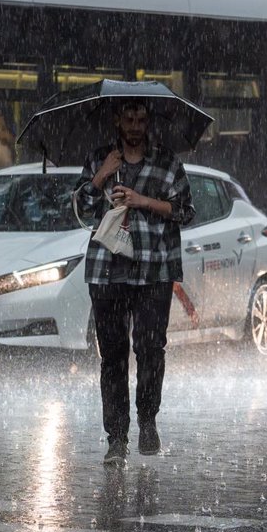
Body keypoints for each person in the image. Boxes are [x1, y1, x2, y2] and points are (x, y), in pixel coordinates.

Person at [75, 101, 195, 464]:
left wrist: (142, 201)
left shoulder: (167, 162)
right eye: (128, 119)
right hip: (107, 271)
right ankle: (116, 438)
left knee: (150, 349)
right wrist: (101, 178)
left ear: (149, 122)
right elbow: (80, 212)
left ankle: (147, 419)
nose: (134, 126)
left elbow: (186, 212)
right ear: (116, 120)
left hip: (154, 271)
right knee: (112, 356)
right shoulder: (100, 159)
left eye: (141, 120)